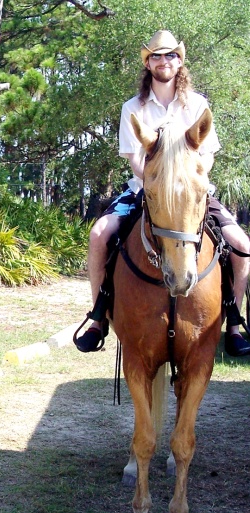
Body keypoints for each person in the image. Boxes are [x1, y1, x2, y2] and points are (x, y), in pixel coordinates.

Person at [75, 30, 250, 356]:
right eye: (156, 55)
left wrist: (186, 177)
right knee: (100, 234)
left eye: (170, 54)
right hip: (145, 190)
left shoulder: (198, 105)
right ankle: (98, 316)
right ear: (148, 63)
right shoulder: (133, 108)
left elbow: (208, 154)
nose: (163, 60)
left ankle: (235, 322)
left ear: (179, 60)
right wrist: (159, 181)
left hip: (192, 193)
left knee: (242, 245)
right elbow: (134, 159)